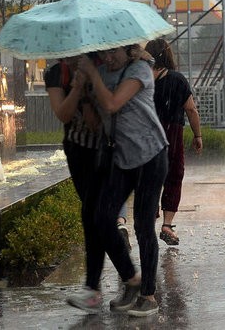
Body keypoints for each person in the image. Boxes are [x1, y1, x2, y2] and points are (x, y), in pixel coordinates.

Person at [78, 44, 168, 318]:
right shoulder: (102, 72)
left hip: (151, 155)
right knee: (102, 218)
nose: (107, 58)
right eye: (103, 53)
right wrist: (84, 92)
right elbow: (96, 121)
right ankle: (131, 279)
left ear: (128, 50)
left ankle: (148, 295)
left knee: (143, 225)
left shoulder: (139, 69)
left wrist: (93, 75)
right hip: (122, 157)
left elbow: (113, 103)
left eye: (113, 52)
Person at [45, 54, 104, 312]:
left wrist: (91, 89)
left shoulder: (102, 65)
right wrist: (78, 88)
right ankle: (118, 280)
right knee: (93, 217)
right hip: (77, 151)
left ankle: (98, 287)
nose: (69, 56)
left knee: (94, 215)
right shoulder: (57, 73)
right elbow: (63, 113)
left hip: (105, 150)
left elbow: (97, 122)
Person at [145, 38, 203, 246]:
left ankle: (148, 222)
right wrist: (198, 135)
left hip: (147, 136)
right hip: (172, 134)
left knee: (150, 179)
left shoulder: (141, 80)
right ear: (168, 55)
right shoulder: (177, 80)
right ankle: (167, 226)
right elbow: (191, 109)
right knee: (173, 175)